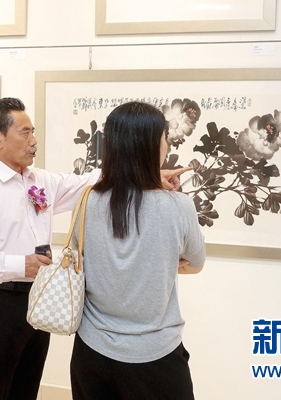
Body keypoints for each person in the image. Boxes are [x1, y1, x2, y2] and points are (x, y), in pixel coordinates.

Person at [0, 97, 189, 400]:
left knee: (27, 385)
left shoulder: (40, 180)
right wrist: (19, 264)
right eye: (25, 133)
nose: (33, 141)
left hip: (38, 295)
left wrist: (148, 176)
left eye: (33, 132)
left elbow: (88, 182)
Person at [69, 101, 206, 400]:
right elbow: (196, 264)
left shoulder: (87, 200)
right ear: (153, 146)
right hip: (156, 357)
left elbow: (81, 257)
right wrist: (163, 263)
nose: (167, 143)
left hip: (92, 353)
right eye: (165, 137)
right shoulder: (179, 206)